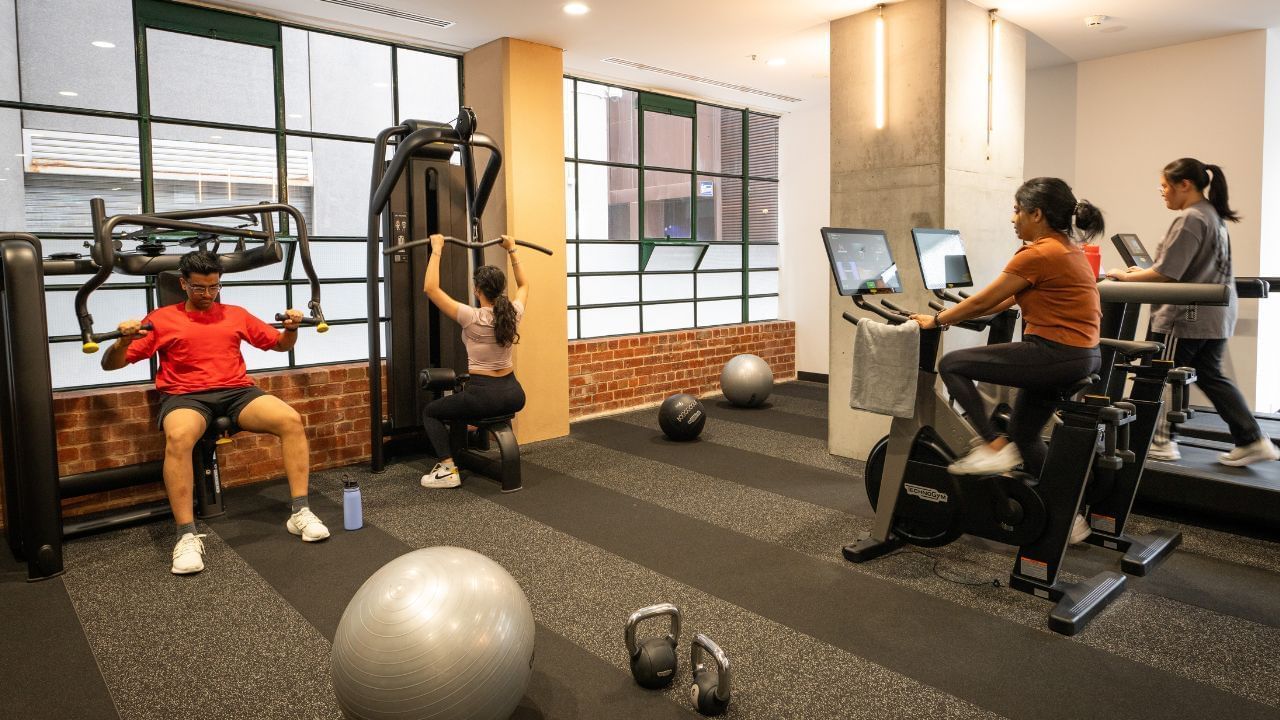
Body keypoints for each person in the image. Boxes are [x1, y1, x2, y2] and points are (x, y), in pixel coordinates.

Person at [102, 250, 329, 575]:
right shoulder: (162, 319)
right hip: (185, 396)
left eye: (214, 287)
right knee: (179, 437)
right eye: (199, 287)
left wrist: (291, 328)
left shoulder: (235, 314)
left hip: (237, 392)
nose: (207, 294)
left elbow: (280, 345)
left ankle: (300, 511)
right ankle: (186, 535)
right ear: (183, 284)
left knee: (290, 420)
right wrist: (122, 342)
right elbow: (110, 365)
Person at [910, 178, 1105, 542]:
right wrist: (962, 314)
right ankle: (1070, 517)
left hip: (1055, 353)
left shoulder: (1037, 254)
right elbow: (1006, 298)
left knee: (952, 365)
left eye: (1017, 210)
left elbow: (986, 299)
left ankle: (993, 447)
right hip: (1082, 355)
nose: (1013, 218)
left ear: (1037, 214)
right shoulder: (1067, 249)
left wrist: (937, 320)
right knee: (1025, 434)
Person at [1105, 158, 1278, 466]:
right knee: (1210, 375)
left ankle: (1161, 441)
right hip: (1215, 316)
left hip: (1185, 317)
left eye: (1164, 186)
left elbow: (1166, 273)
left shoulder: (1191, 218)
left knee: (1160, 374)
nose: (1162, 192)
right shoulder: (1211, 214)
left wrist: (1125, 277)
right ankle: (1252, 439)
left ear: (1184, 185)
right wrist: (1141, 274)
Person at [419, 233, 529, 488]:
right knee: (461, 406)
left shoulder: (472, 316)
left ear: (477, 290)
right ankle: (467, 429)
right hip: (514, 394)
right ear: (500, 289)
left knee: (431, 412)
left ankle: (447, 470)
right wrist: (512, 249)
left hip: (483, 397)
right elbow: (524, 285)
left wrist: (437, 248)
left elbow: (430, 289)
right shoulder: (513, 313)